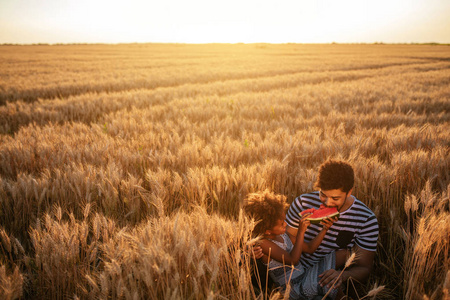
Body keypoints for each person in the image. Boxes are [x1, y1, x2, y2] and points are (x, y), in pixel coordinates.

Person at [285, 160, 379, 299]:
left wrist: (342, 275)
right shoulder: (302, 203)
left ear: (349, 192)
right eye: (323, 194)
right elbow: (286, 239)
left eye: (335, 198)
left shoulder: (366, 219)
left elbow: (364, 268)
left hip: (326, 275)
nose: (327, 202)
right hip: (293, 269)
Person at [244, 190, 340, 299]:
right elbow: (293, 260)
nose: (286, 224)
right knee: (333, 283)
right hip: (293, 288)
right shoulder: (264, 243)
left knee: (340, 255)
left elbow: (309, 248)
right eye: (281, 224)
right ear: (267, 231)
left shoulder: (284, 236)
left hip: (304, 278)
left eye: (285, 220)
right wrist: (301, 231)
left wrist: (325, 229)